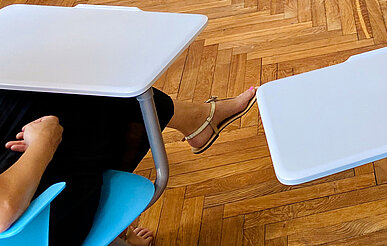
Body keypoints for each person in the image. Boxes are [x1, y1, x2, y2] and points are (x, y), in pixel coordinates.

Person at [0, 87, 257, 246]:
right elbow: (3, 210)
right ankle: (199, 120)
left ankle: (197, 119)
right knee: (89, 96)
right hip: (32, 233)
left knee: (26, 92)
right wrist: (43, 145)